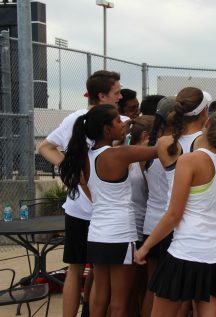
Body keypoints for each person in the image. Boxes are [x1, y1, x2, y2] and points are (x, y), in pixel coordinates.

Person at [135, 107, 216, 317]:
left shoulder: (189, 160)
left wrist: (145, 247)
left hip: (187, 250)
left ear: (207, 124)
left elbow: (174, 214)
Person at [59, 104, 159, 317]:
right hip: (121, 234)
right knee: (119, 302)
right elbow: (160, 150)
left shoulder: (85, 156)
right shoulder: (119, 154)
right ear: (106, 129)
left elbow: (89, 190)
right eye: (117, 121)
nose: (122, 123)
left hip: (96, 234)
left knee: (99, 297)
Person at [38, 70, 122, 317]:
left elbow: (44, 147)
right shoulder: (117, 121)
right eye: (116, 92)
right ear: (102, 95)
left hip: (77, 208)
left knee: (75, 269)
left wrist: (71, 171)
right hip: (102, 210)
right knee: (97, 271)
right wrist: (73, 172)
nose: (119, 97)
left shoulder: (73, 119)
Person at [143, 87, 211, 317]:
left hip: (168, 225)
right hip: (195, 230)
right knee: (192, 300)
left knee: (162, 294)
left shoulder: (164, 143)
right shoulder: (207, 143)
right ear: (204, 113)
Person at [141, 97, 175, 317]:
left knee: (151, 286)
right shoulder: (173, 147)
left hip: (150, 223)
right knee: (169, 291)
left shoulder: (148, 148)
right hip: (167, 225)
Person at [126, 115, 155, 315]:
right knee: (143, 287)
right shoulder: (143, 159)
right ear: (146, 135)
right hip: (140, 227)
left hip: (128, 225)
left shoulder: (122, 153)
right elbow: (153, 192)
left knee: (131, 290)